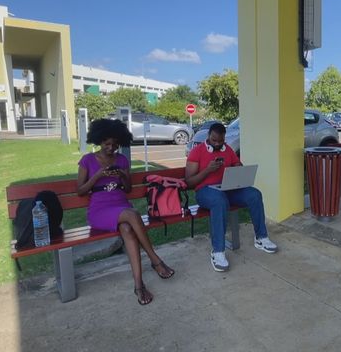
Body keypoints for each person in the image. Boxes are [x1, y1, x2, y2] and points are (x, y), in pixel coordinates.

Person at [77, 119, 174, 305]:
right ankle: (155, 260)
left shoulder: (122, 160)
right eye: (107, 143)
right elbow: (80, 191)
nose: (111, 147)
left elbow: (128, 189)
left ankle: (139, 286)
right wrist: (98, 176)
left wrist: (122, 175)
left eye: (115, 144)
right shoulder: (88, 160)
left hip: (120, 203)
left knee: (128, 230)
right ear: (99, 141)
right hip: (100, 210)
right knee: (132, 214)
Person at [185, 122, 277, 272]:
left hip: (228, 188)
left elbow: (238, 164)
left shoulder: (227, 150)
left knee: (254, 194)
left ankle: (261, 238)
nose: (217, 144)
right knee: (219, 201)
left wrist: (238, 168)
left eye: (220, 141)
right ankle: (218, 252)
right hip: (205, 192)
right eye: (214, 140)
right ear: (208, 136)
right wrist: (208, 170)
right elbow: (189, 182)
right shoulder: (197, 152)